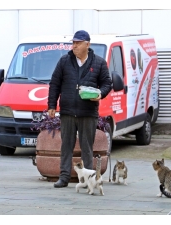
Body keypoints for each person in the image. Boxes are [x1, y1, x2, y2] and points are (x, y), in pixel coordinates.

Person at [47, 30, 112, 188]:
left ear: (87, 44)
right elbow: (54, 84)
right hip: (68, 110)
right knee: (66, 145)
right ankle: (64, 177)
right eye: (73, 43)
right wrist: (51, 105)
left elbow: (107, 84)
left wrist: (100, 94)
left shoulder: (99, 63)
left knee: (87, 147)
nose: (74, 46)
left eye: (77, 43)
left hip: (88, 112)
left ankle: (89, 177)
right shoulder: (64, 61)